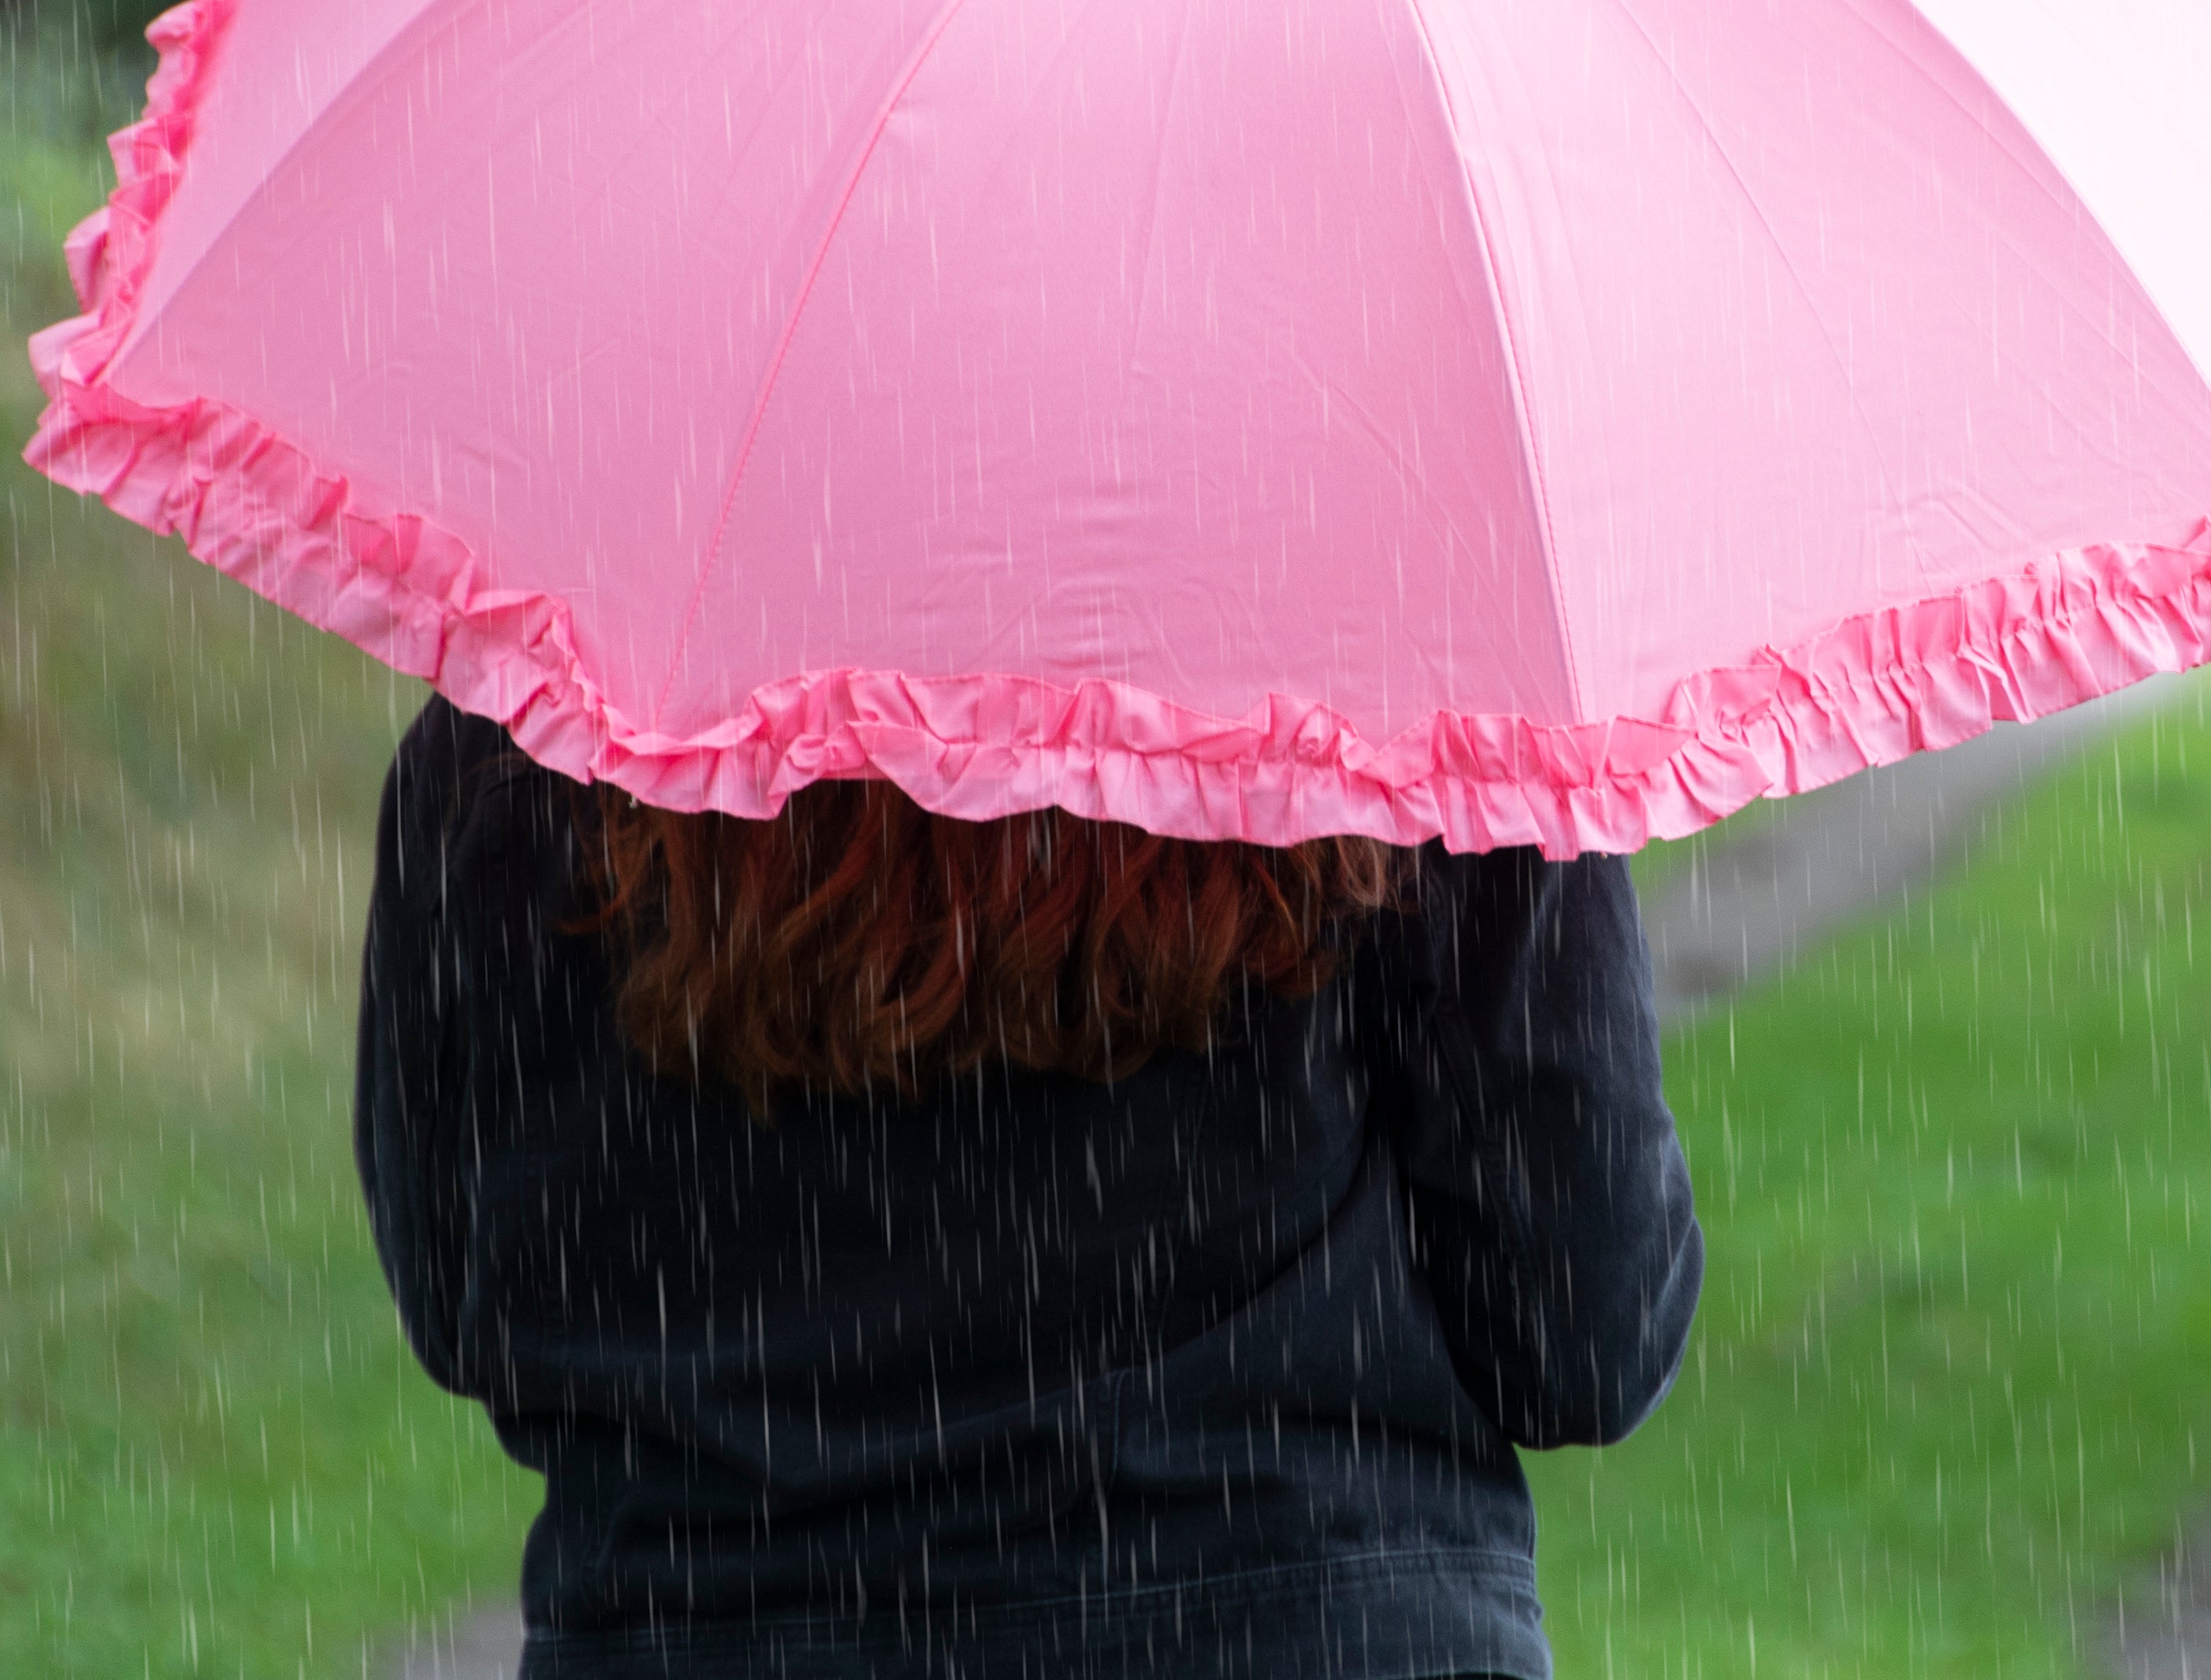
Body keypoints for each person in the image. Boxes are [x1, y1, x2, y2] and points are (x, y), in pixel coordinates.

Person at [356, 697, 1702, 1679]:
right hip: (1316, 1628)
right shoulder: (1419, 714)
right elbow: (1581, 1339)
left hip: (713, 1626)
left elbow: (475, 1306)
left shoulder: (527, 749)